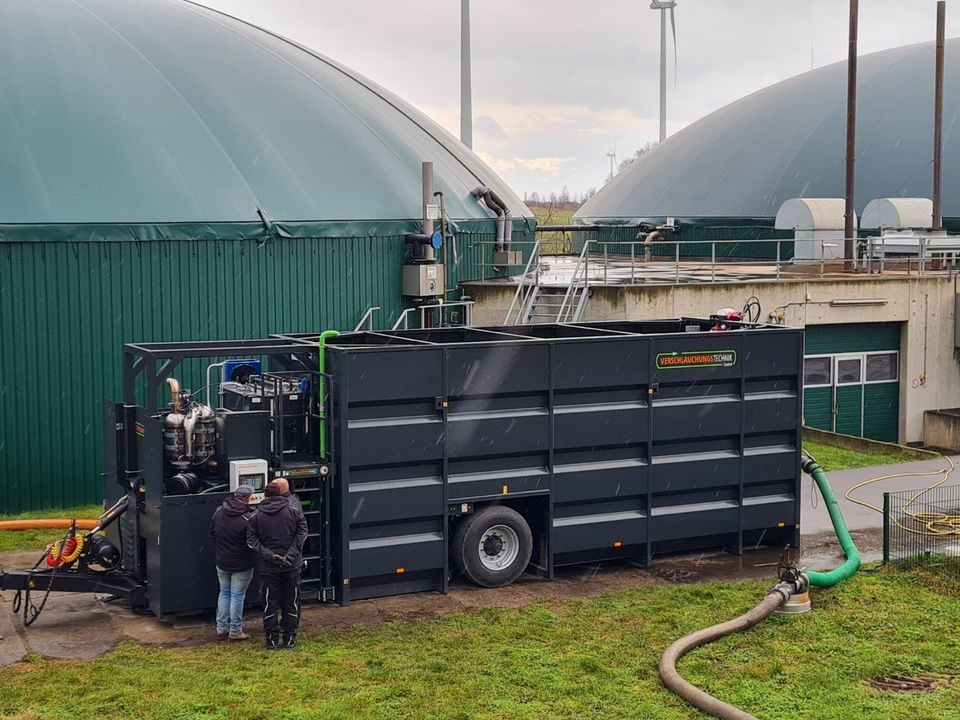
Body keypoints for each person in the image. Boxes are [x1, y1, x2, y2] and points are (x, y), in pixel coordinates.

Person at [246, 480, 308, 649]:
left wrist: (271, 556)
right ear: (281, 493)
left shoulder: (255, 516)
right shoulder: (294, 511)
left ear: (265, 495)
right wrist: (290, 555)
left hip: (268, 568)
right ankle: (290, 639)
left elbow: (252, 542)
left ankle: (271, 640)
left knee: (269, 603)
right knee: (292, 601)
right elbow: (302, 534)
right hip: (292, 566)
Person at [209, 484, 256, 641]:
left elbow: (212, 534)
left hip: (222, 560)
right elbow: (252, 542)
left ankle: (221, 627)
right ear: (248, 499)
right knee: (237, 596)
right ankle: (235, 630)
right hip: (242, 563)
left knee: (224, 592)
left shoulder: (218, 512)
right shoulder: (248, 518)